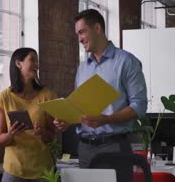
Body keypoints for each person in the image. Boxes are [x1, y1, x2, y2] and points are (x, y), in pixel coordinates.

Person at [54, 9, 147, 168]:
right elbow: (79, 108)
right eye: (77, 34)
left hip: (114, 146)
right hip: (84, 149)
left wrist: (108, 119)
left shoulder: (126, 62)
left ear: (97, 28)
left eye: (82, 32)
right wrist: (68, 120)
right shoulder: (82, 69)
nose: (79, 39)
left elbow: (139, 106)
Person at [0, 47, 57, 182]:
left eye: (37, 61)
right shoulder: (3, 99)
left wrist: (42, 133)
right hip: (14, 169)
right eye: (32, 60)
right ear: (18, 64)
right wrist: (11, 134)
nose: (37, 64)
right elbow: (0, 138)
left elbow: (52, 136)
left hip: (42, 169)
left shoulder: (48, 96)